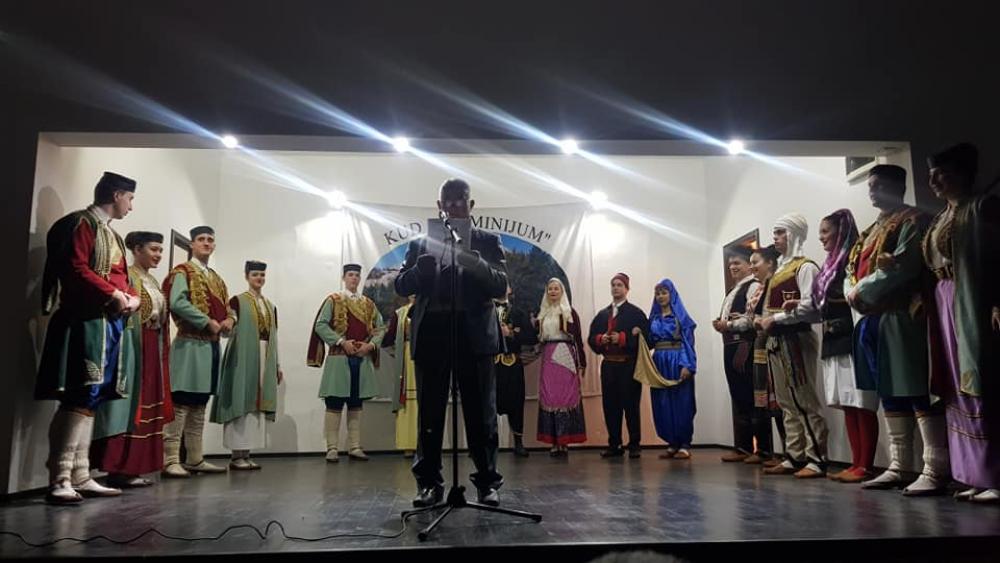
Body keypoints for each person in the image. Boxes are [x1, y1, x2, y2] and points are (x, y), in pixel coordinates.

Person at [393, 178, 508, 507]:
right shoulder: (420, 244)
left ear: (471, 205)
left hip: (475, 335)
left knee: (481, 414)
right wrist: (419, 272)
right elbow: (401, 285)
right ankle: (429, 484)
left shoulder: (487, 241)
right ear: (439, 205)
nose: (454, 206)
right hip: (433, 333)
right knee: (429, 414)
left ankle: (487, 483)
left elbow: (501, 286)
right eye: (448, 200)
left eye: (461, 200)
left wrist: (476, 263)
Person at [36, 171, 140, 503]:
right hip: (85, 321)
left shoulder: (113, 235)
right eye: (130, 199)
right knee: (78, 396)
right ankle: (60, 475)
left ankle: (80, 473)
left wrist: (132, 298)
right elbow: (76, 268)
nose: (131, 206)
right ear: (117, 195)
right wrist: (113, 294)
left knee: (92, 398)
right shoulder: (80, 224)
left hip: (107, 322)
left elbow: (123, 278)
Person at [846, 164, 949, 496]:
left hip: (902, 314)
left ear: (897, 186)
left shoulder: (913, 220)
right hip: (872, 318)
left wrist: (860, 290)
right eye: (870, 185)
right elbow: (851, 268)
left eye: (878, 185)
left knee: (916, 385)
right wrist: (852, 290)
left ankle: (934, 466)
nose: (871, 191)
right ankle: (900, 464)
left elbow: (903, 267)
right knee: (888, 390)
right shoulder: (870, 230)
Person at [923, 143, 999, 503]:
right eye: (932, 175)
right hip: (945, 298)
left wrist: (996, 300)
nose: (934, 181)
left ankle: (994, 473)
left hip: (972, 298)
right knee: (955, 385)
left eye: (942, 174)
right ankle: (972, 473)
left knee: (980, 378)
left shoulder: (982, 208)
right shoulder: (942, 216)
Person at [91, 231, 172, 488]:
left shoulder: (152, 280)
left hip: (152, 345)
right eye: (153, 249)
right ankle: (120, 467)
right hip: (134, 344)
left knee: (147, 402)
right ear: (137, 250)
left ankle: (136, 466)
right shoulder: (128, 277)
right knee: (130, 403)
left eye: (160, 250)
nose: (158, 255)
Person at [807, 210, 879, 483]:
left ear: (841, 231)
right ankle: (855, 462)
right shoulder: (830, 264)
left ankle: (865, 465)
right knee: (847, 403)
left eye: (825, 231)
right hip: (833, 338)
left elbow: (856, 296)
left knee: (861, 401)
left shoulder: (852, 259)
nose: (821, 237)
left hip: (851, 336)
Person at [755, 214, 829, 478]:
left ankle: (816, 457)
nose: (775, 238)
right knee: (787, 401)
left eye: (780, 232)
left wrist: (775, 319)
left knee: (804, 399)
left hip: (796, 338)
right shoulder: (779, 270)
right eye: (775, 233)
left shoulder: (805, 267)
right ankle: (794, 454)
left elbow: (812, 307)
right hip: (777, 340)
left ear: (794, 233)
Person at [162, 226, 234, 477]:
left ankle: (194, 457)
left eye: (210, 240)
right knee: (181, 402)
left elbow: (228, 308)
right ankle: (171, 459)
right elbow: (177, 302)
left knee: (199, 404)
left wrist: (230, 320)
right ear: (192, 244)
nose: (206, 243)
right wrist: (205, 321)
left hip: (210, 347)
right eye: (201, 239)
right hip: (189, 345)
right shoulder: (182, 272)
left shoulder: (217, 279)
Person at [308, 264, 384, 462]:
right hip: (338, 359)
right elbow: (320, 325)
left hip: (361, 360)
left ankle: (355, 447)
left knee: (355, 404)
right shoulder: (333, 300)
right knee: (334, 403)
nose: (354, 278)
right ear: (344, 277)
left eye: (357, 275)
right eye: (350, 275)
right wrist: (341, 342)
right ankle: (332, 448)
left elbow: (380, 328)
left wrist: (370, 346)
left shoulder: (368, 304)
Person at [211, 260, 282, 470]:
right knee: (241, 400)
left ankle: (247, 452)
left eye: (262, 275)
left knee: (257, 403)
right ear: (246, 276)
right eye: (255, 274)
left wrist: (277, 365)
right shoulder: (237, 301)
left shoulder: (270, 306)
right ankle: (236, 455)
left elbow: (274, 337)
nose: (259, 278)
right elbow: (228, 329)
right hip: (242, 357)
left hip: (264, 356)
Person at [713, 246, 765, 462]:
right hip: (731, 345)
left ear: (749, 266)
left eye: (737, 263)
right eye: (730, 264)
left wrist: (728, 324)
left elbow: (752, 318)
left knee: (752, 395)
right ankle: (743, 447)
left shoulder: (753, 287)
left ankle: (763, 449)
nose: (732, 267)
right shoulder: (733, 290)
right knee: (738, 395)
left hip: (745, 345)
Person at [588, 273, 648, 459]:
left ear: (627, 289)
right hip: (608, 367)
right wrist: (601, 339)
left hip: (628, 366)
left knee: (631, 406)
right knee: (610, 406)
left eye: (620, 285)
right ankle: (615, 444)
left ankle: (634, 445)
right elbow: (591, 338)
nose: (616, 288)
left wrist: (623, 339)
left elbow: (647, 339)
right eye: (613, 285)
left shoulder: (636, 314)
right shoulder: (602, 315)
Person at [535, 278, 587, 456]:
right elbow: (537, 338)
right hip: (549, 354)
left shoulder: (570, 312)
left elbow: (578, 338)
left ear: (562, 291)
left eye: (556, 288)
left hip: (565, 353)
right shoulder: (542, 314)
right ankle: (553, 441)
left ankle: (564, 442)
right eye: (550, 289)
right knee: (549, 396)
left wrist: (582, 362)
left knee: (565, 396)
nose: (553, 291)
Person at [646, 279, 697, 460]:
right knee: (662, 402)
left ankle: (684, 444)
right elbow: (648, 342)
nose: (660, 296)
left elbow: (688, 342)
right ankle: (672, 442)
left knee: (682, 401)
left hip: (677, 360)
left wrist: (687, 365)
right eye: (657, 293)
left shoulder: (681, 318)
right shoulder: (653, 318)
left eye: (664, 293)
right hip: (659, 362)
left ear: (672, 294)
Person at [747, 245, 785, 465]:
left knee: (779, 398)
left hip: (774, 344)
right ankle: (767, 449)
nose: (752, 267)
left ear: (770, 263)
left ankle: (790, 452)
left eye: (755, 262)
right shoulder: (761, 288)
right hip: (761, 345)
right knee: (764, 400)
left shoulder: (776, 284)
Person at [495, 284, 538, 457]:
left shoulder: (518, 312)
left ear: (510, 290)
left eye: (504, 284)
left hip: (512, 364)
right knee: (488, 404)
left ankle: (518, 443)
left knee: (515, 403)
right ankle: (485, 444)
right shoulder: (484, 311)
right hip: (490, 365)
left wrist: (511, 334)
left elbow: (531, 337)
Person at [383, 295, 418, 456]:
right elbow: (388, 340)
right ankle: (407, 443)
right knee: (406, 402)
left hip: (425, 358)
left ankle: (425, 444)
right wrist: (397, 353)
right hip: (406, 360)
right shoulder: (400, 313)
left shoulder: (428, 311)